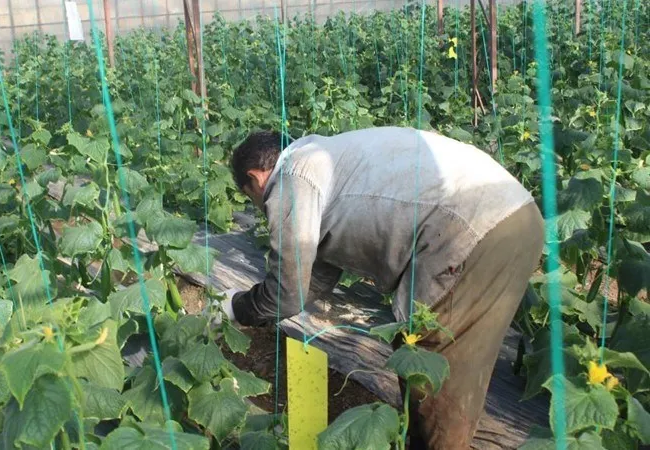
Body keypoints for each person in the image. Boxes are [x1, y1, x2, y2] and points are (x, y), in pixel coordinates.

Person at [218, 127, 544, 449]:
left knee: (426, 363)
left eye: (253, 198)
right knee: (460, 363)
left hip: (471, 228)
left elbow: (287, 293)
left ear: (257, 178)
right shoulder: (322, 159)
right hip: (516, 217)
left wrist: (235, 308)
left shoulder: (292, 176)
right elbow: (315, 277)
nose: (262, 209)